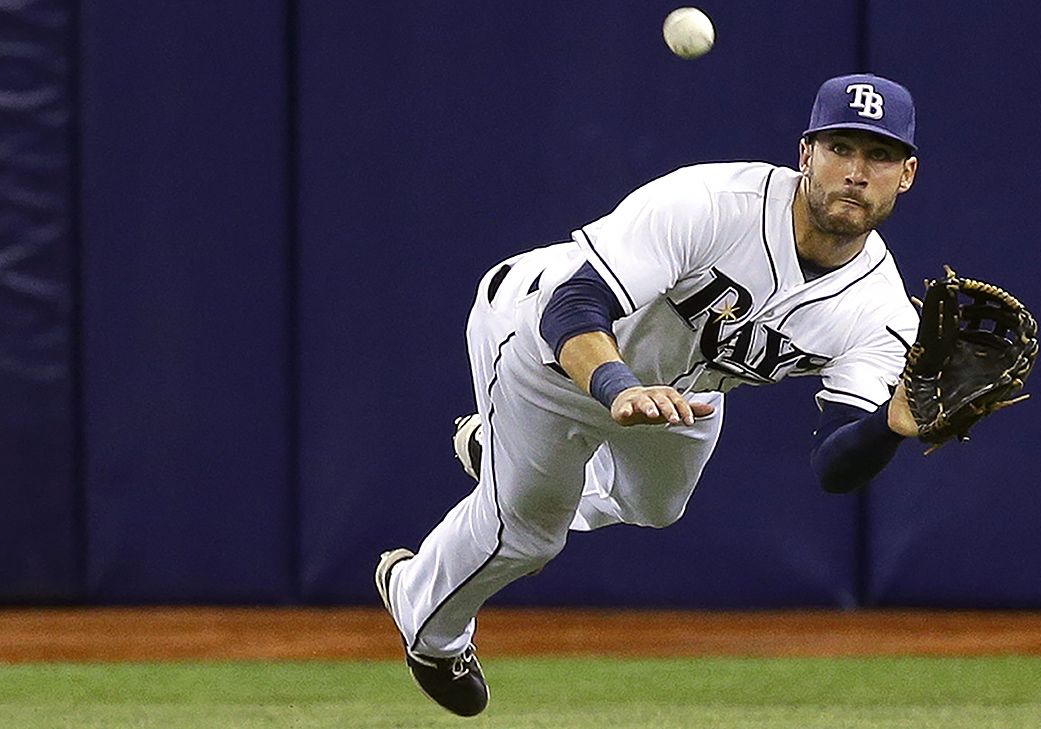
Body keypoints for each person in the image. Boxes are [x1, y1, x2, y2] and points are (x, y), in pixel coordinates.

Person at [375, 73, 923, 717]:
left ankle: (503, 459)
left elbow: (835, 462)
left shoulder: (882, 312)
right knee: (527, 535)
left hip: (679, 391)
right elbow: (573, 306)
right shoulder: (712, 201)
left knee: (657, 504)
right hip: (542, 345)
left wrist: (893, 423)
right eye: (840, 149)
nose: (856, 172)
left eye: (878, 155)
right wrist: (617, 387)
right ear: (807, 154)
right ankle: (427, 623)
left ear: (905, 174)